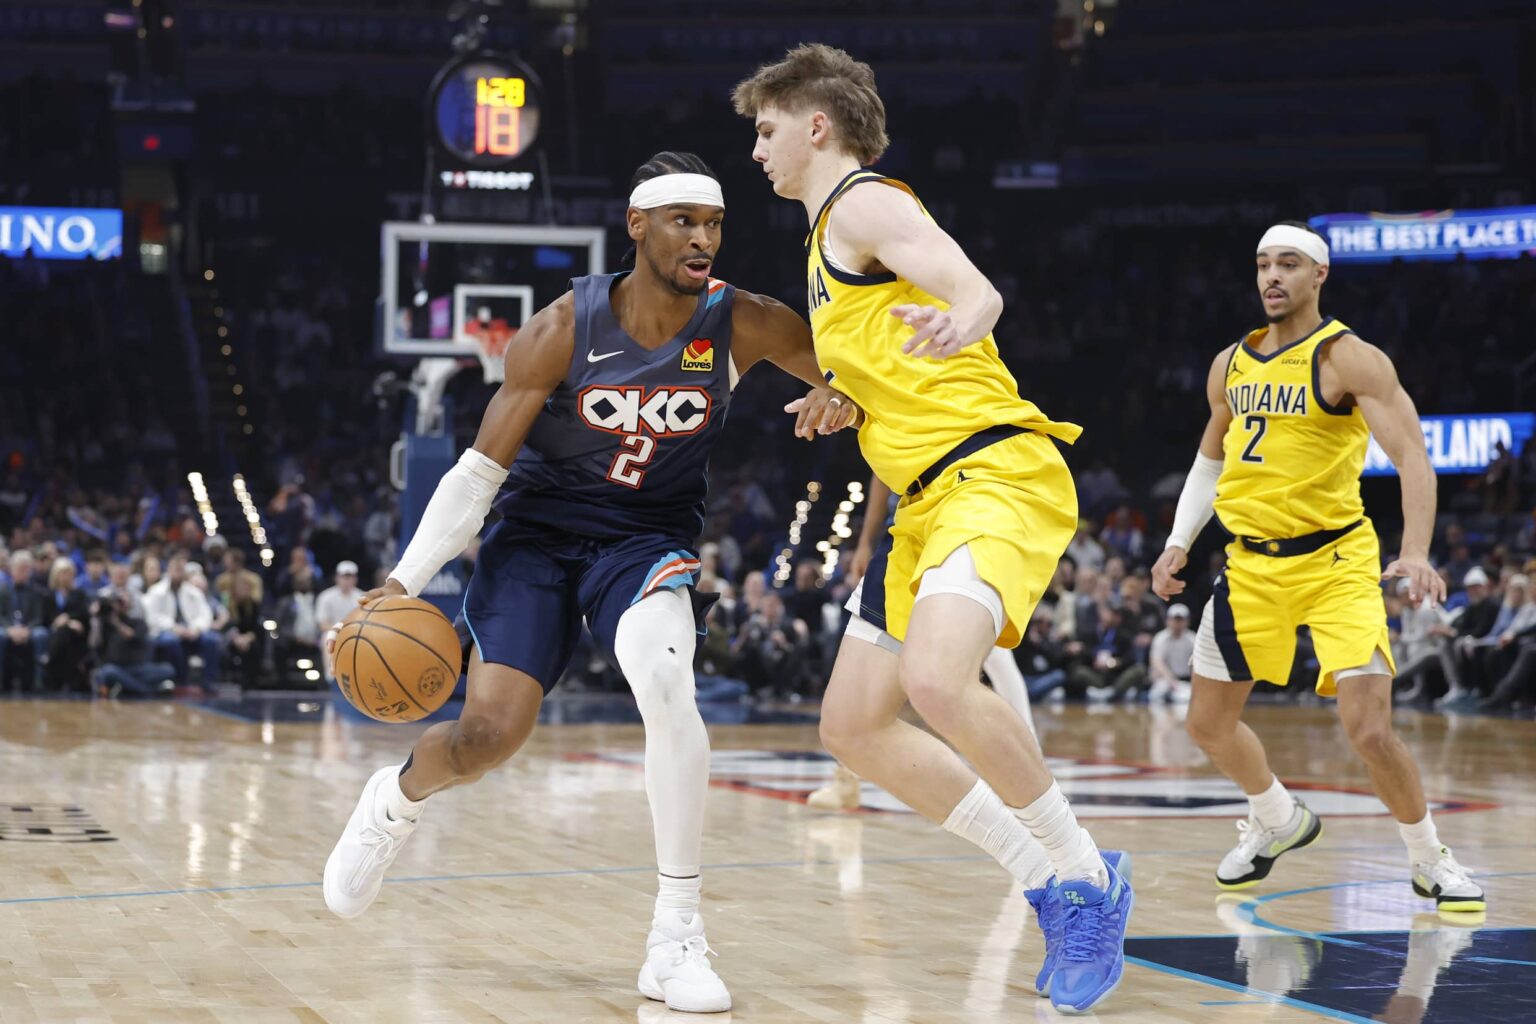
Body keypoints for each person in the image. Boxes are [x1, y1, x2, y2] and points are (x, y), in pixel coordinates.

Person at [322, 152, 857, 1015]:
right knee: (488, 737)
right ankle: (394, 803)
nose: (703, 239)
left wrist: (847, 399)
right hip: (536, 537)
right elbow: (474, 474)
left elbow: (859, 371)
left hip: (644, 541)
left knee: (665, 682)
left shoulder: (744, 322)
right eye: (684, 221)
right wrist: (399, 583)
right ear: (637, 227)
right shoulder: (560, 327)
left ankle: (675, 934)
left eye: (714, 223)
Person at [735, 45, 1130, 1014]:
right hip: (923, 496)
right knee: (852, 725)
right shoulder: (826, 242)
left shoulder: (864, 202)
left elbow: (972, 287)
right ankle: (1038, 882)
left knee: (933, 681)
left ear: (816, 124)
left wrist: (970, 313)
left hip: (995, 470)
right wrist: (850, 405)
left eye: (767, 127)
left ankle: (1085, 878)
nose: (757, 149)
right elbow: (894, 362)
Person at [1151, 221, 1483, 912]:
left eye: (1289, 264)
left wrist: (1415, 550)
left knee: (1368, 729)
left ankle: (1428, 858)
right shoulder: (1229, 365)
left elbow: (1413, 458)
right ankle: (1276, 816)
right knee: (1206, 726)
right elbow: (1211, 459)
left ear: (1319, 275)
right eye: (1264, 264)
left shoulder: (1349, 358)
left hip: (1336, 560)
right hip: (1251, 566)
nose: (1272, 276)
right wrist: (1180, 539)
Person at [144, 553, 222, 686]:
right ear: (168, 570)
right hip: (167, 631)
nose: (178, 573)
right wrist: (174, 627)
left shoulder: (193, 592)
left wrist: (196, 628)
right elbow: (153, 618)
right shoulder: (156, 591)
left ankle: (208, 682)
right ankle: (180, 681)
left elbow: (205, 615)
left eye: (181, 570)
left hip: (191, 631)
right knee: (171, 641)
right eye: (176, 569)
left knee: (212, 640)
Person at [1147, 604, 1195, 703]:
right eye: (1174, 619)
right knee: (1156, 695)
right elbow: (1156, 661)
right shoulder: (1160, 638)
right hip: (1164, 680)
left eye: (1180, 620)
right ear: (1168, 620)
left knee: (1184, 698)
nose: (1177, 623)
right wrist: (1171, 680)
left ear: (1187, 621)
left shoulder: (1192, 639)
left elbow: (1196, 663)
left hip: (1185, 681)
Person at [314, 560, 361, 636]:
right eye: (344, 577)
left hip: (356, 634)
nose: (347, 580)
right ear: (337, 578)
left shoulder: (362, 597)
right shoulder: (326, 596)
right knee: (328, 636)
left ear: (355, 579)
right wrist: (340, 631)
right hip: (333, 633)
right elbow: (323, 624)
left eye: (350, 577)